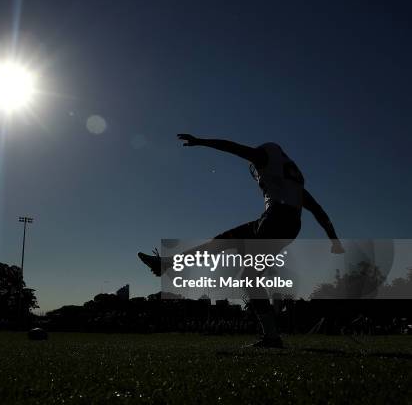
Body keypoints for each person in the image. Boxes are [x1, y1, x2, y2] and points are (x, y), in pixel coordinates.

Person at [138, 134, 345, 348]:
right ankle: (167, 264)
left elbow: (232, 147)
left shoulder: (264, 157)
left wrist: (201, 141)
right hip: (285, 224)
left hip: (274, 220)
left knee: (243, 270)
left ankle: (272, 337)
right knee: (225, 248)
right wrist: (335, 241)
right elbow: (320, 212)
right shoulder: (293, 181)